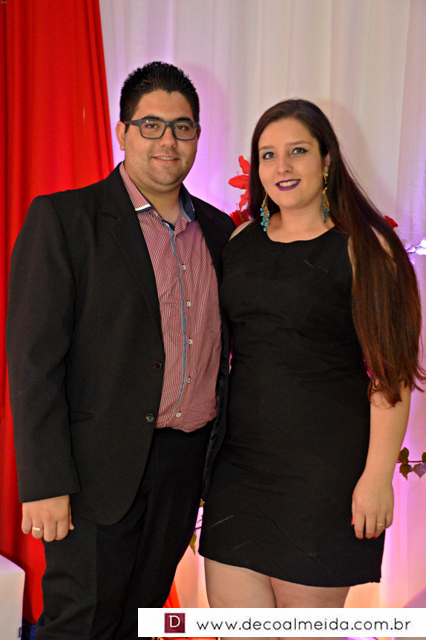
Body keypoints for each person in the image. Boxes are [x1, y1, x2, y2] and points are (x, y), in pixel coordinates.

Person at [6, 61, 234, 639]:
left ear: (197, 136)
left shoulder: (218, 232)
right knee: (79, 623)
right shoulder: (66, 219)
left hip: (183, 470)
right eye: (151, 125)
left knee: (142, 622)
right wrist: (44, 483)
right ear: (123, 132)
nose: (167, 141)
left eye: (182, 127)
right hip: (93, 472)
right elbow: (33, 364)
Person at [199, 99, 424, 634]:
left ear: (326, 160)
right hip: (239, 472)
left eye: (297, 151)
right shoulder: (240, 242)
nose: (282, 166)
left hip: (324, 479)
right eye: (267, 154)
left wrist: (377, 478)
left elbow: (391, 375)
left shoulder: (367, 249)